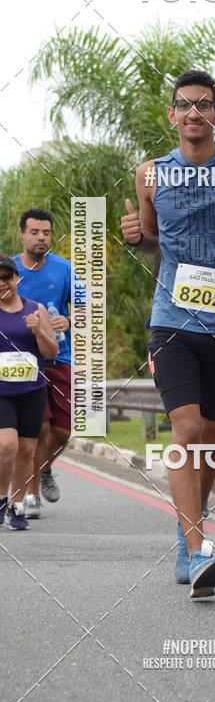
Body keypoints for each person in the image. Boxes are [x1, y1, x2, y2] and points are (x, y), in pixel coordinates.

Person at [121, 69, 215, 599]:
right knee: (186, 431)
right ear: (172, 115)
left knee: (209, 440)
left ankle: (194, 521)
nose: (193, 114)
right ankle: (196, 548)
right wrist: (135, 236)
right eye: (184, 105)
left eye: (203, 105)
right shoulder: (150, 176)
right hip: (172, 322)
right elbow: (151, 241)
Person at [13, 209, 73, 518]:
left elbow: (86, 308)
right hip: (24, 359)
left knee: (63, 432)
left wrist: (70, 318)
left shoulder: (64, 269)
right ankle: (32, 494)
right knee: (39, 427)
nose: (41, 238)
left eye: (46, 233)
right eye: (35, 232)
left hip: (60, 356)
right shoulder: (8, 270)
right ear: (22, 235)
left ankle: (45, 468)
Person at [0, 255, 58, 530]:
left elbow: (50, 351)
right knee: (6, 446)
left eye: (6, 277)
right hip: (2, 392)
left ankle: (17, 505)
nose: (2, 283)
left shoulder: (35, 310)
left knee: (26, 450)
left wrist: (38, 331)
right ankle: (1, 498)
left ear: (16, 279)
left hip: (32, 390)